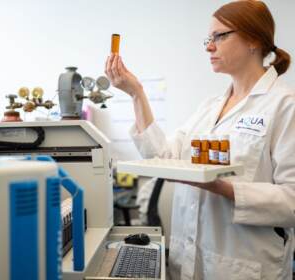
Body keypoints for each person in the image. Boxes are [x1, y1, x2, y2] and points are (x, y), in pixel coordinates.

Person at [105, 1, 294, 279]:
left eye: (220, 36)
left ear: (253, 39)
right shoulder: (209, 107)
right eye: (209, 38)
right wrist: (136, 94)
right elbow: (164, 157)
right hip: (189, 261)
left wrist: (222, 188)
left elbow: (292, 200)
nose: (209, 46)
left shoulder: (284, 105)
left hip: (244, 265)